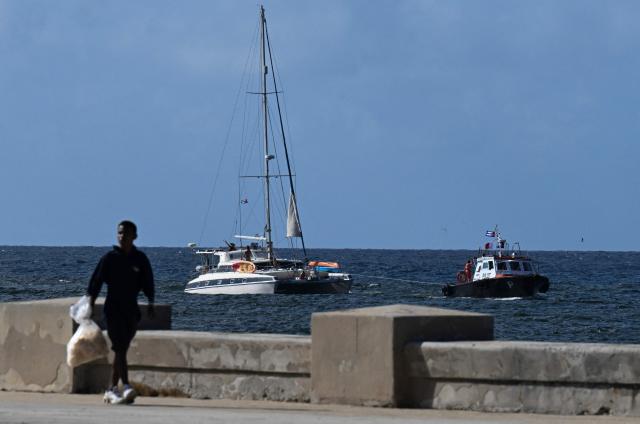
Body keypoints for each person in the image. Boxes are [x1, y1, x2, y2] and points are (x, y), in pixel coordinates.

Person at [87, 220, 155, 405]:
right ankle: (125, 385)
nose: (122, 236)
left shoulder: (139, 259)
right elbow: (96, 281)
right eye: (120, 233)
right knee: (119, 346)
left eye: (126, 233)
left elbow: (148, 280)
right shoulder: (110, 258)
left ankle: (111, 389)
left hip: (131, 310)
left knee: (121, 349)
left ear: (134, 236)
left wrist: (150, 302)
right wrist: (91, 304)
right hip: (113, 310)